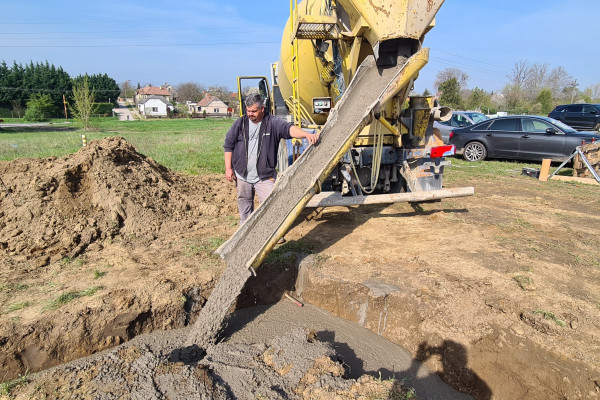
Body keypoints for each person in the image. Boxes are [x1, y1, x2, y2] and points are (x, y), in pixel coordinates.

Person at [223, 93, 319, 228]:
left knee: (271, 207)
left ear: (262, 109)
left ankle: (272, 232)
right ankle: (245, 232)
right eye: (248, 111)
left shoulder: (273, 123)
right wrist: (228, 168)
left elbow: (288, 129)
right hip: (242, 175)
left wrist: (306, 134)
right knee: (244, 207)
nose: (250, 114)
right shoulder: (240, 124)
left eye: (253, 111)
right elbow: (228, 145)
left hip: (265, 176)